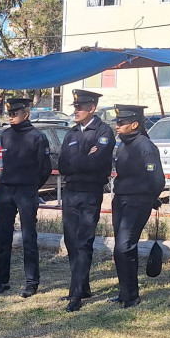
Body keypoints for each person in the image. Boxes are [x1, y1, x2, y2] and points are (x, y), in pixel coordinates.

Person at [57, 89, 115, 312]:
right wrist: (83, 158)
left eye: (80, 108)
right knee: (71, 241)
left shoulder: (103, 132)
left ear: (92, 108)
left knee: (84, 242)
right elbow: (62, 164)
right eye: (75, 107)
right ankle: (82, 285)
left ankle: (76, 293)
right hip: (71, 191)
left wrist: (78, 161)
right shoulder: (71, 134)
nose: (76, 111)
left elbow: (96, 162)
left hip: (91, 192)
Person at [0, 97, 53, 297]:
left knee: (28, 237)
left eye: (14, 113)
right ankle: (2, 280)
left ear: (25, 114)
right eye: (9, 113)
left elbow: (45, 169)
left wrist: (32, 186)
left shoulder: (37, 136)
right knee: (3, 237)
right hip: (5, 190)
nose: (10, 117)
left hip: (26, 191)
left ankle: (31, 282)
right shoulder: (6, 135)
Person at [108, 104, 164, 308]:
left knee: (124, 246)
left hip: (137, 202)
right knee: (122, 249)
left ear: (135, 124)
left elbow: (157, 179)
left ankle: (131, 295)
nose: (118, 126)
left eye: (122, 123)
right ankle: (127, 293)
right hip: (121, 199)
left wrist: (150, 198)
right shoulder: (123, 145)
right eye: (117, 122)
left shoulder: (145, 146)